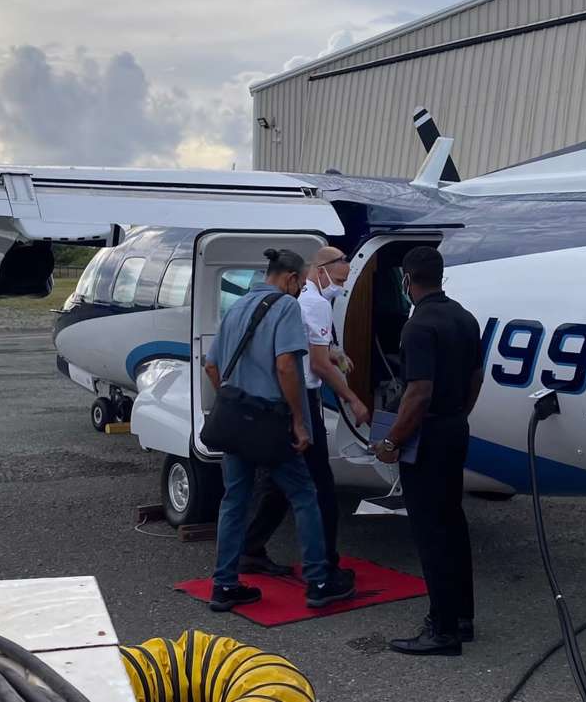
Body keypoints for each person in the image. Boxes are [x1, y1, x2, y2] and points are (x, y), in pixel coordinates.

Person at [204, 248, 356, 612]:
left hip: (235, 420)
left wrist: (231, 396)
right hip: (270, 420)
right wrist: (298, 421)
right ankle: (319, 581)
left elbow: (211, 365)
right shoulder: (286, 307)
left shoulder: (237, 307)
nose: (300, 289)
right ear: (290, 278)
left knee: (235, 501)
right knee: (304, 495)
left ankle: (224, 585)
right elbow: (287, 365)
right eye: (300, 283)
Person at [375, 246, 484, 656]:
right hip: (455, 428)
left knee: (430, 533)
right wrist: (458, 414)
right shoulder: (464, 317)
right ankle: (462, 617)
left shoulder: (417, 326)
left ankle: (442, 630)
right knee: (453, 523)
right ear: (441, 276)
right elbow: (476, 376)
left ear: (407, 280)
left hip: (429, 436)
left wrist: (392, 441)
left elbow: (418, 392)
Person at [241, 247, 371, 579]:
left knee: (277, 483)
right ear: (320, 270)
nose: (340, 288)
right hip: (302, 398)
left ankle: (249, 548)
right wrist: (352, 398)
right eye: (339, 281)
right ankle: (325, 566)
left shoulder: (295, 301)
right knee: (319, 487)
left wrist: (334, 353)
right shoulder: (315, 303)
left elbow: (312, 349)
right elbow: (316, 364)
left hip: (279, 398)